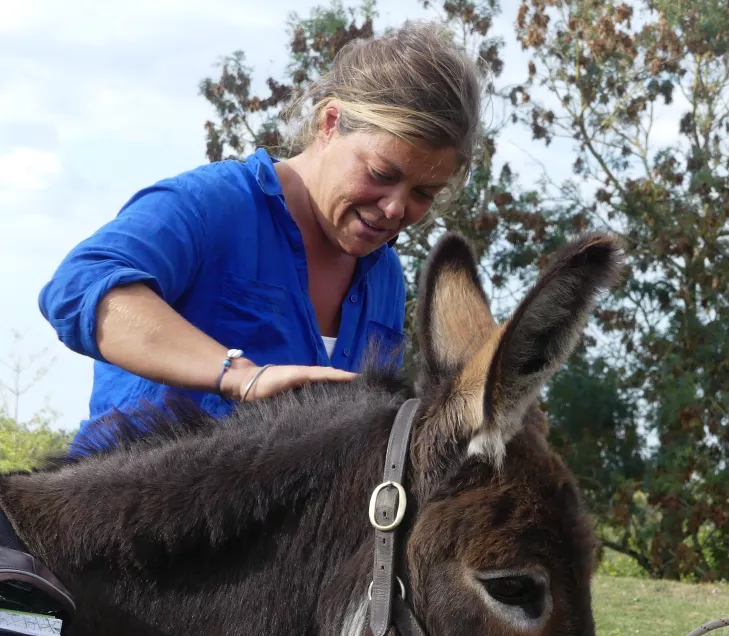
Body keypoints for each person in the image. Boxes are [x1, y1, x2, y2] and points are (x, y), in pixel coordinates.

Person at [38, 21, 484, 455]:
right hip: (122, 517)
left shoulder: (385, 276)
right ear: (330, 123)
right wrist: (237, 375)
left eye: (424, 193)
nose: (394, 208)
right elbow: (78, 287)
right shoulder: (212, 204)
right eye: (381, 174)